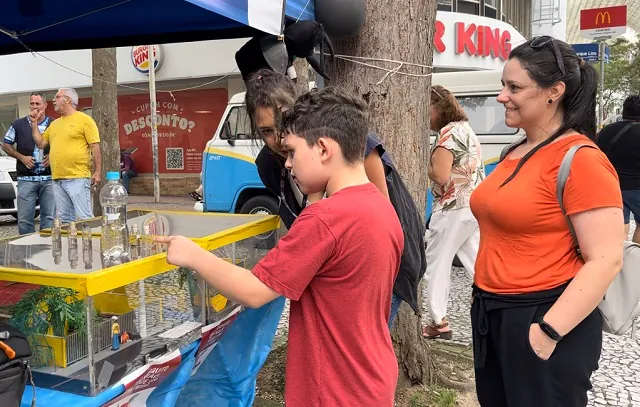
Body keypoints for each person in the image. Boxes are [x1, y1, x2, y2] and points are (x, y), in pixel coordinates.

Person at [155, 87, 403, 406]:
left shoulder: (325, 220)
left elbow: (255, 291)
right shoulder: (382, 208)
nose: (286, 164)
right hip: (372, 378)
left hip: (331, 389)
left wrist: (192, 254)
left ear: (324, 149)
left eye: (292, 152)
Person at [469, 36, 624, 407]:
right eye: (503, 85)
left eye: (514, 87)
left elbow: (606, 259)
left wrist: (548, 332)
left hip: (543, 316)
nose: (501, 96)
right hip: (494, 314)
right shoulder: (514, 150)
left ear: (554, 91)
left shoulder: (581, 159)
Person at [247, 68, 426, 327]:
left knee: (360, 339)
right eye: (266, 131)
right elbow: (300, 226)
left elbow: (381, 219)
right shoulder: (268, 164)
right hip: (329, 272)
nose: (277, 138)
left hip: (376, 266)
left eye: (282, 122)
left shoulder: (354, 143)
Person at [423, 85, 483, 339]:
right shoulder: (465, 130)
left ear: (436, 108)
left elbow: (440, 174)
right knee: (476, 261)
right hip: (473, 205)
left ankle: (439, 321)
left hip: (452, 207)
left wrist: (422, 162)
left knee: (436, 263)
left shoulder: (448, 134)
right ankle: (501, 297)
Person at [30, 88, 102, 223]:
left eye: (57, 97)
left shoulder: (85, 120)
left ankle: (93, 244)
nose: (53, 100)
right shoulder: (54, 124)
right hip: (57, 179)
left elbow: (95, 146)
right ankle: (72, 244)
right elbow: (40, 143)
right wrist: (34, 124)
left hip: (78, 177)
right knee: (65, 220)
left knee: (85, 217)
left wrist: (97, 172)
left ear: (67, 99)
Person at [2, 91, 55, 235]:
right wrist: (21, 157)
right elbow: (5, 144)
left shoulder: (54, 124)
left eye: (37, 103)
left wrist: (53, 156)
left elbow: (64, 145)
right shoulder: (19, 124)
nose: (34, 107)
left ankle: (46, 252)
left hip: (49, 179)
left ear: (45, 105)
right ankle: (27, 252)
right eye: (32, 103)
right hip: (26, 179)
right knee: (24, 220)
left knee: (49, 219)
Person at [596, 95, 640, 243]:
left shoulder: (606, 131)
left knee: (620, 225)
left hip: (611, 185)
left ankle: (621, 256)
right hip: (636, 188)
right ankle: (636, 257)